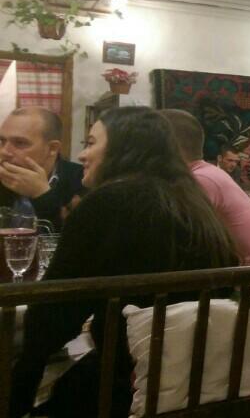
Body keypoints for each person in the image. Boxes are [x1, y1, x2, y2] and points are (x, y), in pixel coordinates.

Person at [11, 107, 237, 417]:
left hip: (130, 385)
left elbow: (51, 320)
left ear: (123, 148)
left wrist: (17, 393)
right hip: (204, 378)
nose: (82, 154)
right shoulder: (191, 199)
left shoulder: (111, 202)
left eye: (91, 143)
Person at [161, 109, 250, 266]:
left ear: (170, 145)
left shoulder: (202, 180)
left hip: (244, 277)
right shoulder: (205, 173)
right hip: (232, 271)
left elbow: (181, 239)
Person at [0, 107, 84, 231]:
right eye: (2, 141)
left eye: (20, 143)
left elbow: (77, 238)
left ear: (52, 148)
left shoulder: (82, 180)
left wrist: (42, 195)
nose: (4, 151)